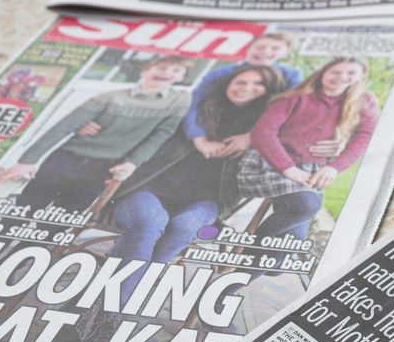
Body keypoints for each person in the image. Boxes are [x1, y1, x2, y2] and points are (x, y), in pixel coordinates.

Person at [105, 64, 285, 305]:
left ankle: (131, 285)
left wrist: (253, 141)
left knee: (184, 226)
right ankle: (114, 307)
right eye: (241, 82)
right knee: (150, 222)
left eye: (258, 84)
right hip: (149, 189)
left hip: (207, 205)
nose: (247, 88)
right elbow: (143, 127)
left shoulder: (266, 132)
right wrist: (97, 124)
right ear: (227, 85)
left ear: (269, 91)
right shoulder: (193, 111)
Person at [0, 56, 193, 217]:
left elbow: (162, 134)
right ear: (145, 71)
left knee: (64, 217)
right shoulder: (109, 97)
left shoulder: (180, 101)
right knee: (25, 209)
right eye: (162, 67)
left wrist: (133, 163)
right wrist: (27, 161)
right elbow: (64, 127)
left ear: (182, 77)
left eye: (176, 70)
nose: (168, 73)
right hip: (65, 157)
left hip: (103, 167)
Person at [237, 57, 378, 267]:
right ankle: (252, 247)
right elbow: (262, 132)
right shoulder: (297, 97)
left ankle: (249, 269)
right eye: (335, 71)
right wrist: (288, 169)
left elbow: (364, 136)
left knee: (280, 258)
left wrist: (334, 167)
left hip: (310, 170)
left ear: (360, 77)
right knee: (306, 204)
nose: (342, 77)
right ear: (323, 73)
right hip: (267, 164)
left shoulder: (364, 101)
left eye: (350, 73)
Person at [183, 33, 302, 159]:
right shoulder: (220, 73)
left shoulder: (291, 76)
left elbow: (291, 110)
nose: (266, 52)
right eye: (260, 47)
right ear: (249, 48)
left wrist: (250, 137)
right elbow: (195, 104)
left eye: (275, 48)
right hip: (217, 129)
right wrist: (200, 140)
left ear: (285, 52)